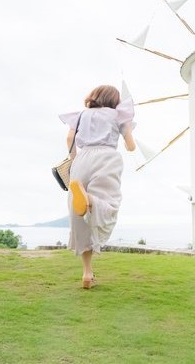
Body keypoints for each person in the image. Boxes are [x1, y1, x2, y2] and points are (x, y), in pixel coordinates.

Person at [59, 84, 136, 289]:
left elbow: (69, 138)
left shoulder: (81, 115)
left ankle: (87, 273)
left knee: (79, 218)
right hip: (107, 157)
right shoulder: (118, 114)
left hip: (82, 160)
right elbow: (130, 145)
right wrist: (127, 133)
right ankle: (90, 199)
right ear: (114, 100)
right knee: (108, 204)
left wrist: (74, 158)